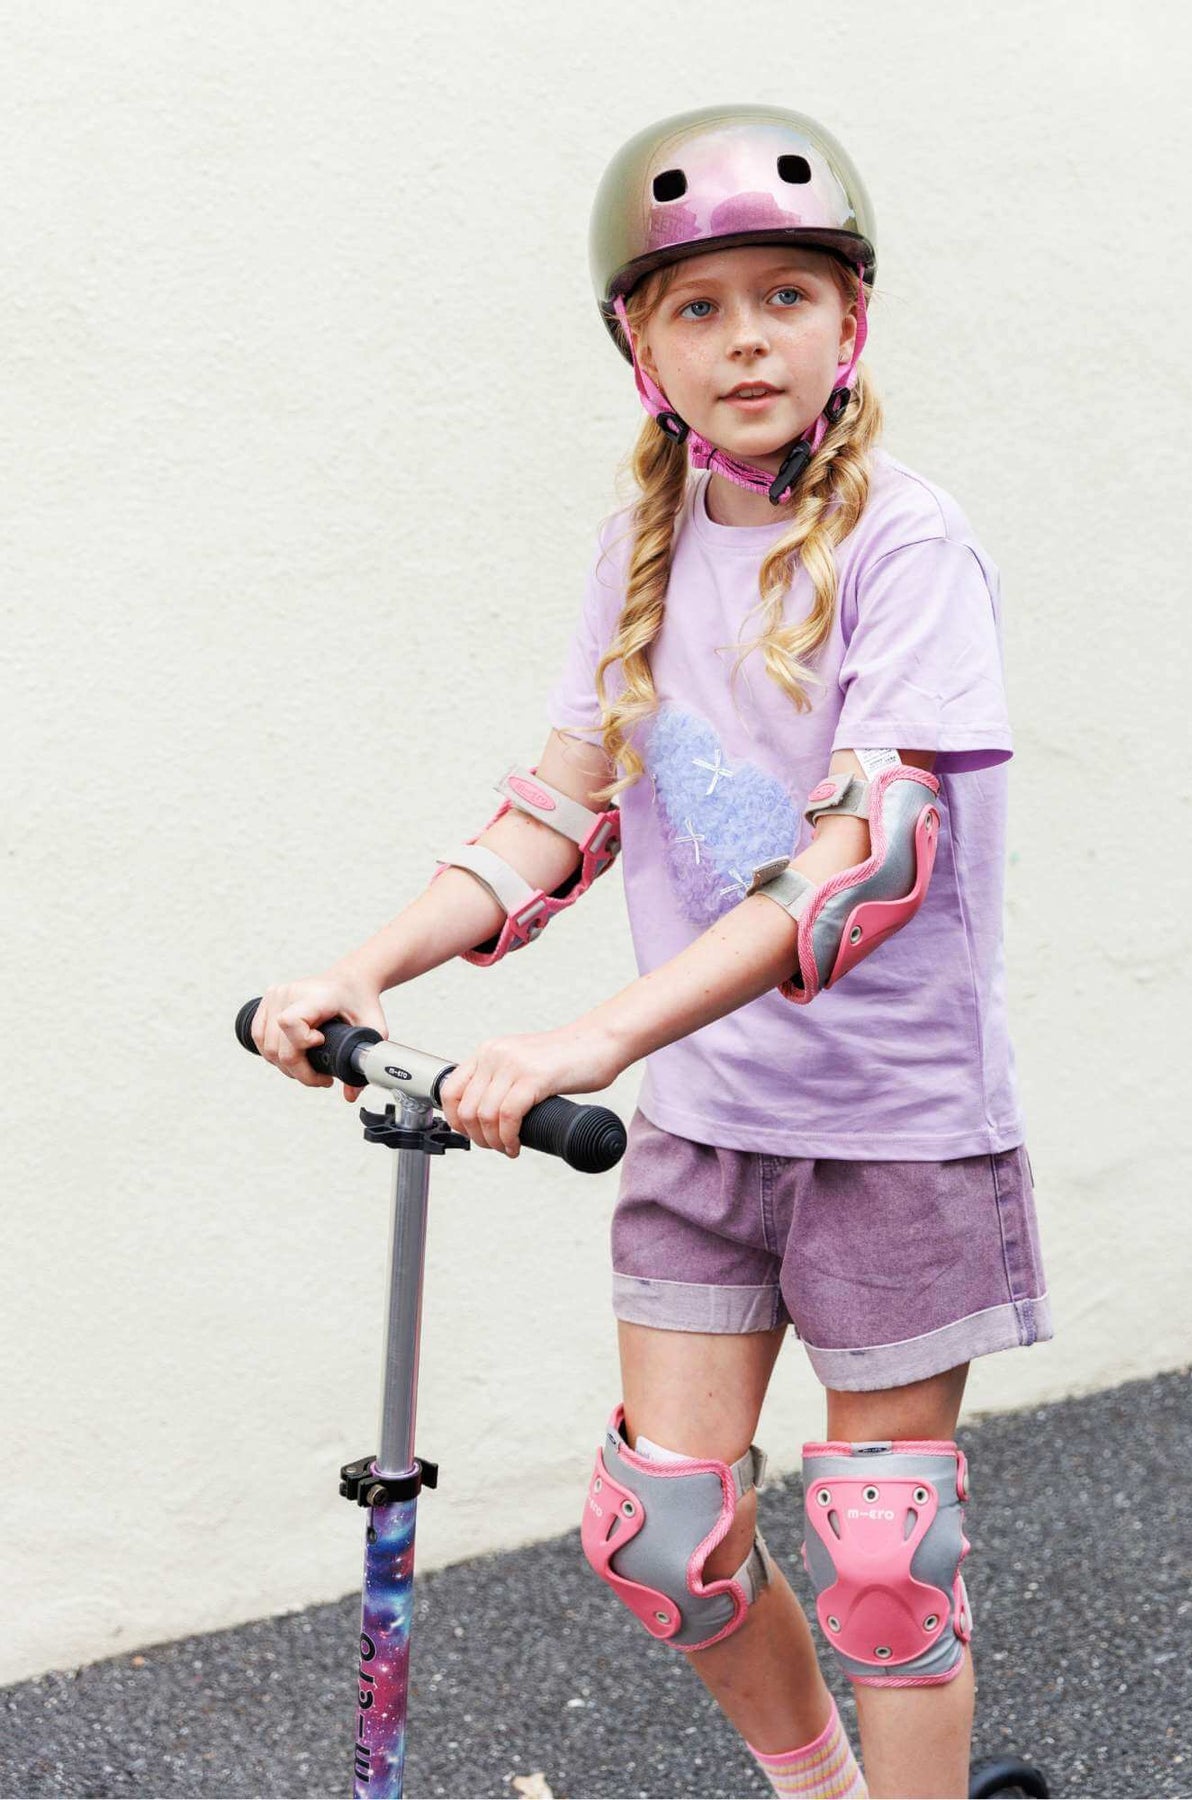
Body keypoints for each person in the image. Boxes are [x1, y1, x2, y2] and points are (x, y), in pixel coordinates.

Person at [251, 103, 1053, 1800]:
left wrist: (593, 1039)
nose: (745, 338)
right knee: (663, 1538)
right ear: (641, 344)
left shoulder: (905, 543)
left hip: (895, 1131)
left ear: (849, 321)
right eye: (698, 305)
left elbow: (858, 863)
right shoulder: (643, 541)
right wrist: (366, 968)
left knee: (883, 1556)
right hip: (707, 1127)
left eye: (786, 295)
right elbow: (554, 810)